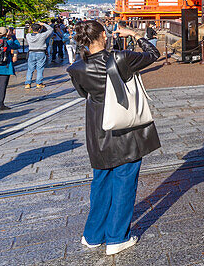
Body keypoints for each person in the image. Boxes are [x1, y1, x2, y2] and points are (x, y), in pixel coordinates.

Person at [68, 20, 161, 256]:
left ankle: (92, 235)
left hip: (98, 127)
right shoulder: (120, 58)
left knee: (100, 181)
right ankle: (117, 237)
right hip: (123, 126)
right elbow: (153, 54)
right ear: (102, 36)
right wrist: (134, 34)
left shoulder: (77, 67)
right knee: (124, 180)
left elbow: (83, 94)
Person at [24, 21, 54, 89]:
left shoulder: (28, 35)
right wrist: (43, 24)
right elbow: (51, 29)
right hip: (41, 52)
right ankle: (39, 83)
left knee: (30, 69)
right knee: (40, 68)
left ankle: (28, 83)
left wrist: (31, 27)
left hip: (31, 52)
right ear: (39, 29)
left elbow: (28, 32)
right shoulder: (42, 35)